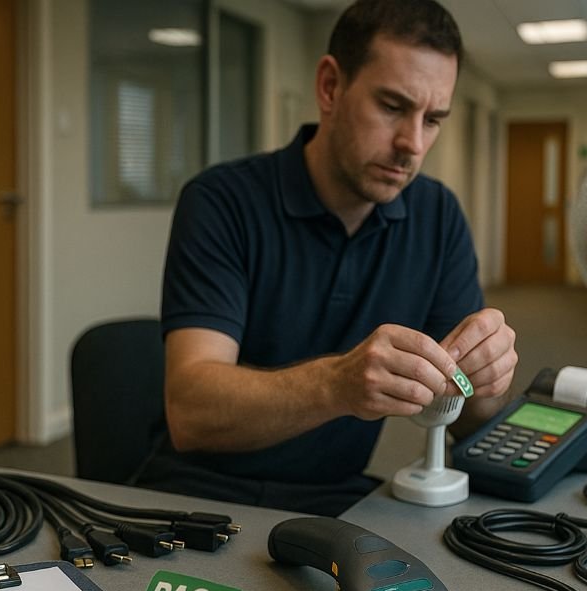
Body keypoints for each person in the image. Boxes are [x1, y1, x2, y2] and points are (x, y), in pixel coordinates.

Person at [133, 0, 518, 516]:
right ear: (331, 87)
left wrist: (486, 384)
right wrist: (336, 385)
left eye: (433, 119)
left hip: (337, 501)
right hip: (197, 491)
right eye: (392, 106)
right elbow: (192, 411)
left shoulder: (438, 215)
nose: (412, 143)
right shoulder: (222, 200)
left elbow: (465, 411)